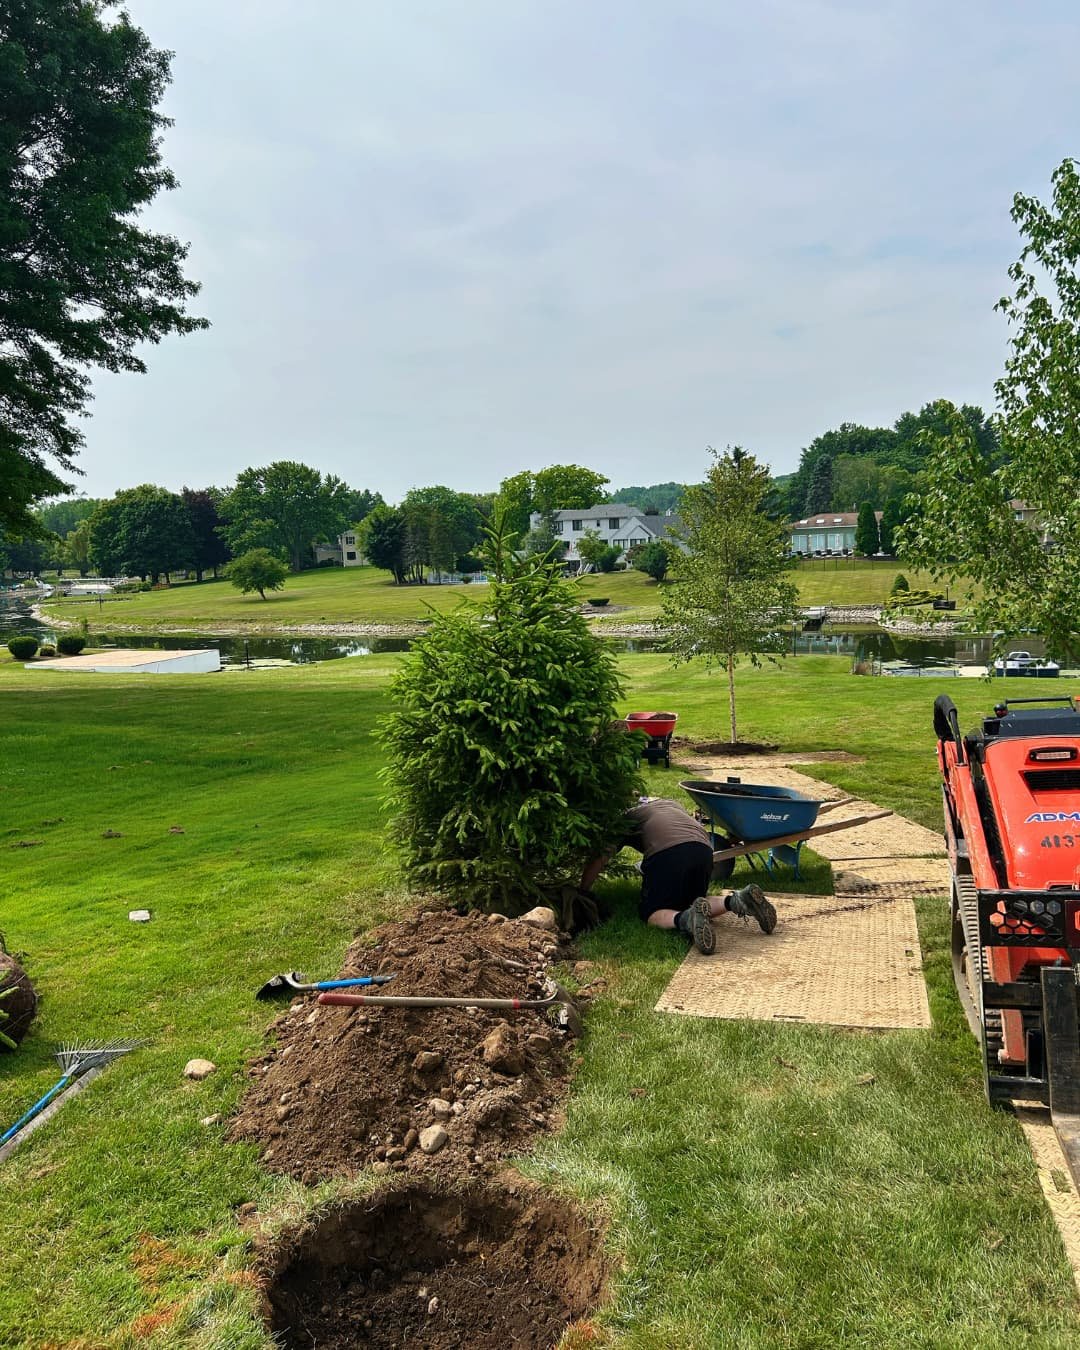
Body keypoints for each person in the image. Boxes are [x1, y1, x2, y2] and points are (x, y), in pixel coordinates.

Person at [581, 796, 777, 954]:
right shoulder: (666, 802)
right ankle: (738, 901)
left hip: (668, 853)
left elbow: (600, 856)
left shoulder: (623, 816)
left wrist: (582, 890)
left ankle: (686, 919)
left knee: (652, 913)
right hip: (704, 849)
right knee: (693, 900)